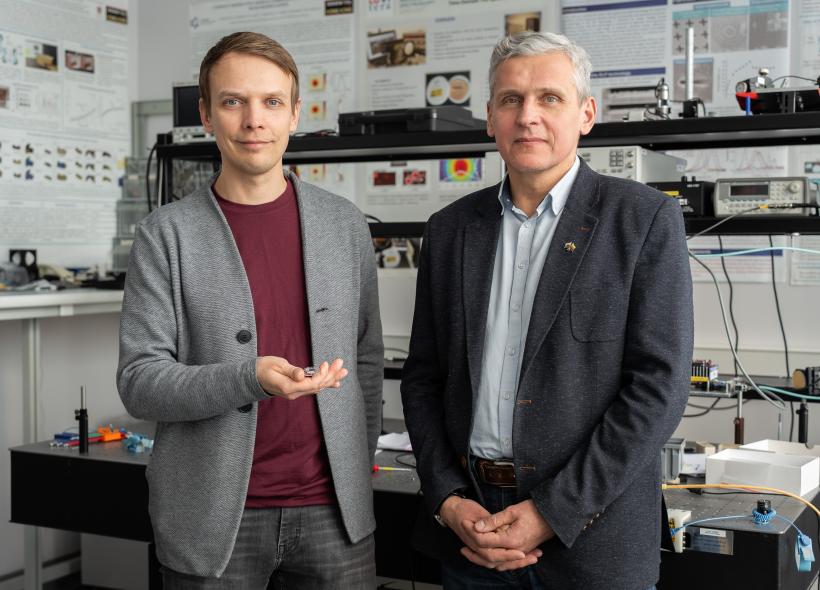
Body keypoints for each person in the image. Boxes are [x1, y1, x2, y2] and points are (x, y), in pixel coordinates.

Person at [401, 31, 693, 590]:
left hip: (591, 539)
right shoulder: (450, 229)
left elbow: (659, 386)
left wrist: (551, 512)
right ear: (490, 117)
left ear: (586, 114)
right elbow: (423, 378)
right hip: (471, 530)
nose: (527, 116)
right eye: (511, 99)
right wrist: (447, 499)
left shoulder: (643, 219)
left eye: (550, 98)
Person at [117, 31, 383, 589]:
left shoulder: (345, 226)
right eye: (233, 101)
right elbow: (140, 383)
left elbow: (366, 362)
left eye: (271, 102)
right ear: (206, 116)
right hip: (214, 523)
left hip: (334, 516)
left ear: (295, 114)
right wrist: (249, 378)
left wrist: (356, 474)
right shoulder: (165, 236)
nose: (254, 120)